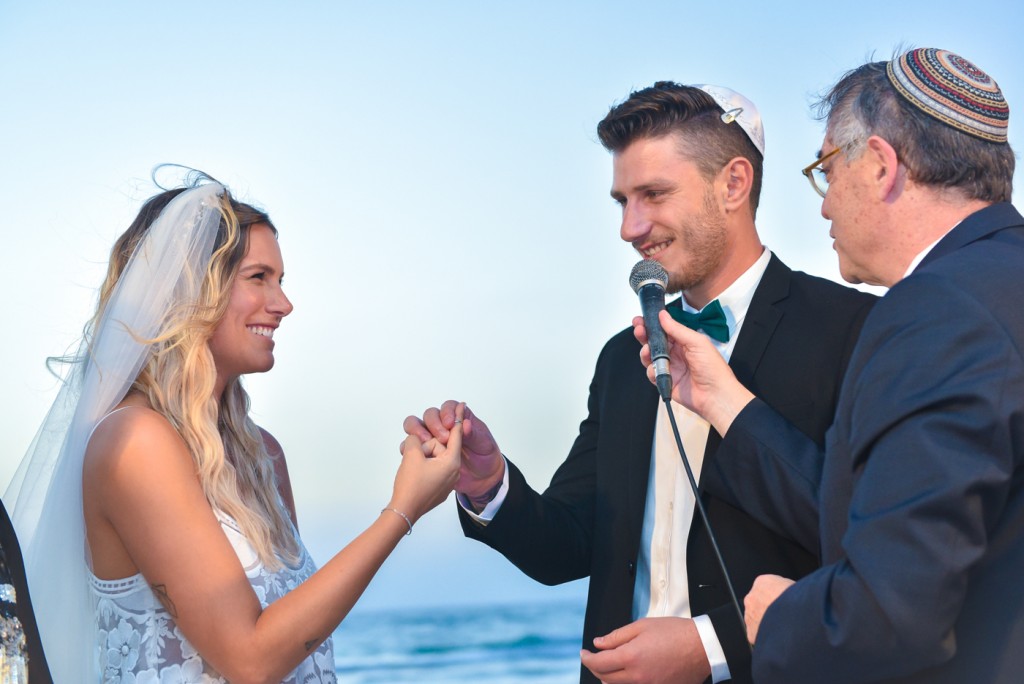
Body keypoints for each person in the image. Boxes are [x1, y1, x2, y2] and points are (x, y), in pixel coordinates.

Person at [405, 83, 875, 683]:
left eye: (654, 194)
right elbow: (568, 546)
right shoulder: (620, 360)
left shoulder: (856, 330)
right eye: (622, 200)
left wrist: (713, 648)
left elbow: (872, 549)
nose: (631, 227)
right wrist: (490, 487)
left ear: (734, 184)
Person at [634, 48, 1023, 683]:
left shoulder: (935, 312)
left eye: (827, 170)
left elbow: (894, 613)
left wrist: (776, 619)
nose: (824, 206)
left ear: (881, 166)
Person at [5, 174, 462, 683]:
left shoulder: (264, 456)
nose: (283, 304)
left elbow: (295, 637)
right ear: (190, 290)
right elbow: (250, 660)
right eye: (258, 277)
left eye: (280, 280)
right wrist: (402, 511)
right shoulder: (134, 444)